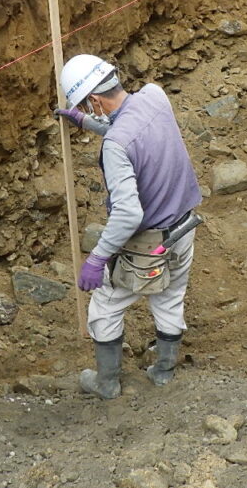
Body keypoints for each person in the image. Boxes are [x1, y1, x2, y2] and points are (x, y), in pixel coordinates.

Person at [55, 55, 202, 399]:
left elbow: (127, 214)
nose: (87, 111)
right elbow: (134, 127)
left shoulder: (116, 147)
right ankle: (163, 373)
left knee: (105, 304)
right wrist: (85, 123)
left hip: (148, 246)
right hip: (184, 226)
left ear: (93, 100)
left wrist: (97, 259)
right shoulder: (155, 95)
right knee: (170, 297)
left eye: (85, 107)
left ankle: (106, 384)